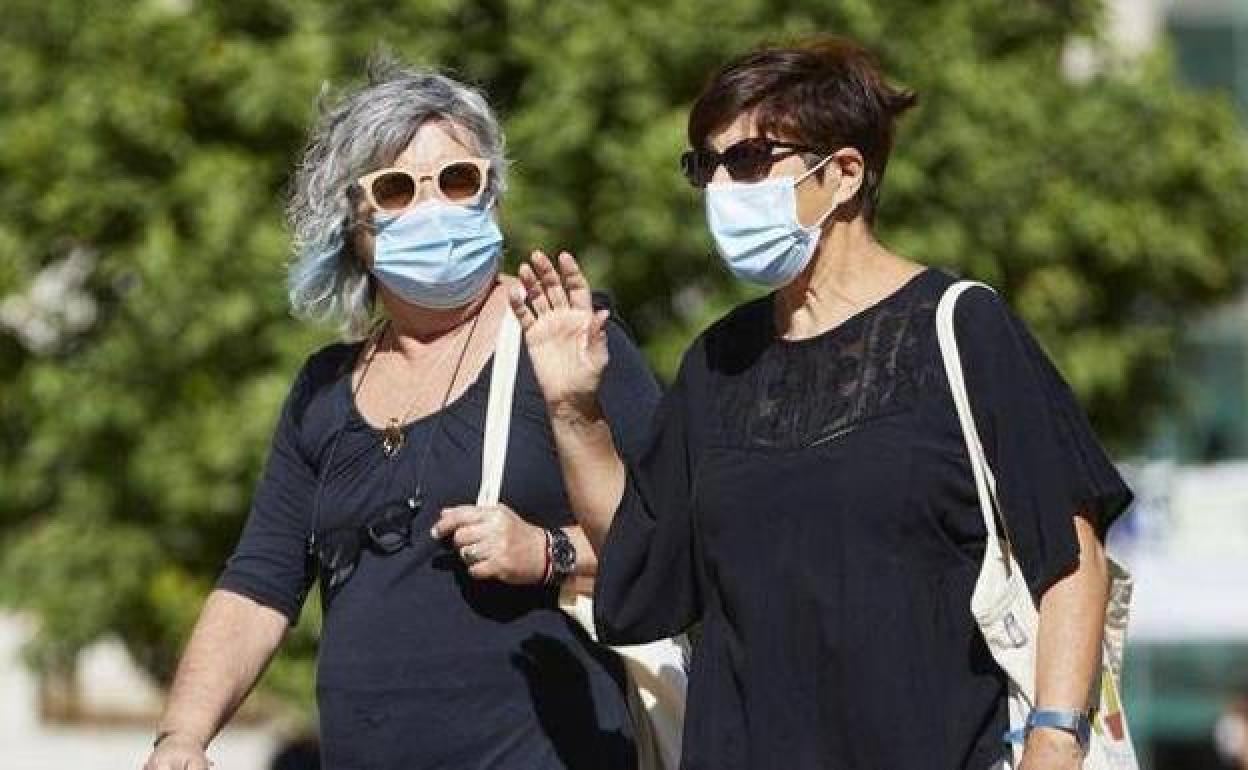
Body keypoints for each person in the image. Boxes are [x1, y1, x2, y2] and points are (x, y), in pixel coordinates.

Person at [510, 37, 1132, 770]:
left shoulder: (961, 327)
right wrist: (574, 409)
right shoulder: (716, 363)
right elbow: (644, 574)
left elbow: (1069, 554)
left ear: (842, 174)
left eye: (747, 160)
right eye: (704, 166)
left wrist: (1053, 745)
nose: (720, 189)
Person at [142, 58, 659, 770]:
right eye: (396, 189)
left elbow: (678, 545)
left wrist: (547, 552)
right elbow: (258, 583)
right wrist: (182, 736)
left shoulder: (567, 335)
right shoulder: (324, 387)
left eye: (456, 180)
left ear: (492, 195)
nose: (434, 208)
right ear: (352, 225)